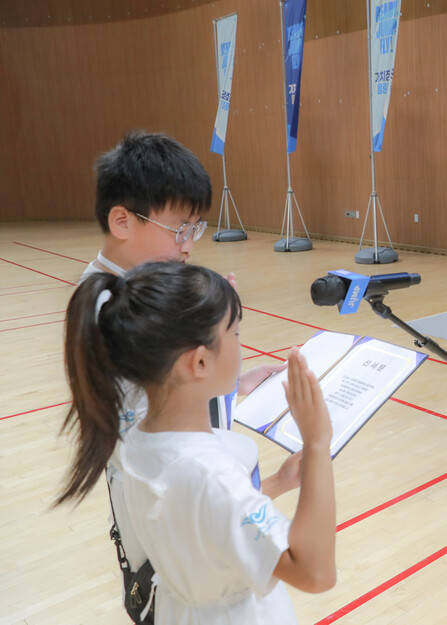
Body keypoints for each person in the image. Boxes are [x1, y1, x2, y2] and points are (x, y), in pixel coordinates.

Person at [56, 262, 337, 624]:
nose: (240, 343)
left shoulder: (137, 442)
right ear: (200, 362)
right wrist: (316, 442)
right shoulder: (210, 475)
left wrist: (280, 482)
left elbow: (204, 520)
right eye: (234, 333)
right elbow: (314, 573)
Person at [81, 131, 287, 616]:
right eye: (180, 229)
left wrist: (228, 385)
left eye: (196, 229)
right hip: (165, 536)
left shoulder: (122, 292)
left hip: (171, 520)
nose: (189, 245)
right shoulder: (112, 310)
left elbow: (169, 394)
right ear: (122, 221)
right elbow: (163, 426)